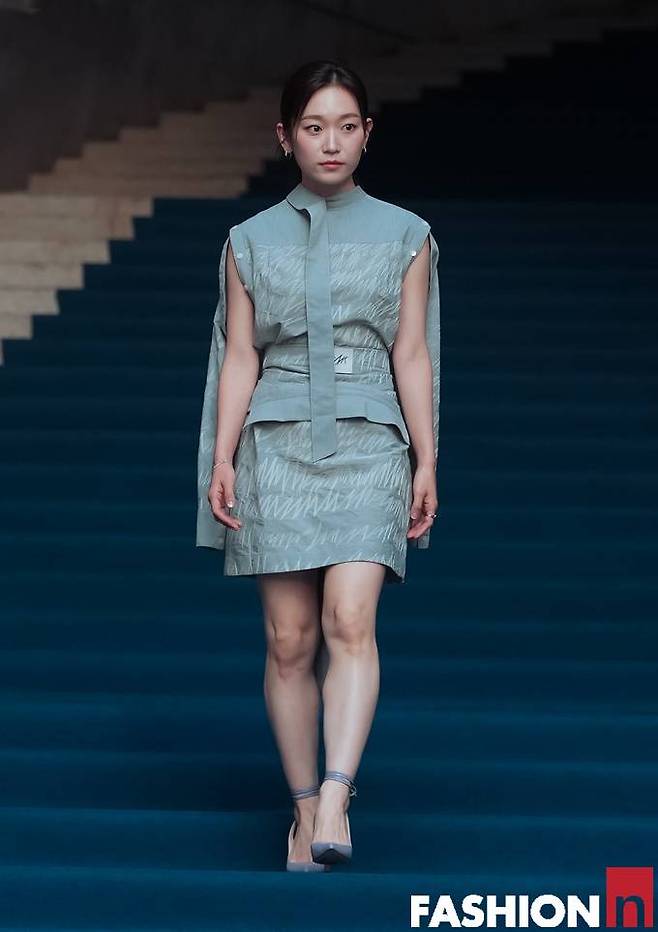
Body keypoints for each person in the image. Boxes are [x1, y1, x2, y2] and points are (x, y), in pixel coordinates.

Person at [196, 59, 440, 871]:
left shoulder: (408, 235)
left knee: (350, 620)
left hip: (372, 440)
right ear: (285, 137)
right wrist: (222, 455)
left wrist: (426, 458)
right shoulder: (247, 241)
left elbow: (412, 353)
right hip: (275, 442)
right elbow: (239, 356)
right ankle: (304, 813)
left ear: (367, 134)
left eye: (345, 126)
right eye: (313, 127)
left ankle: (338, 793)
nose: (330, 142)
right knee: (289, 639)